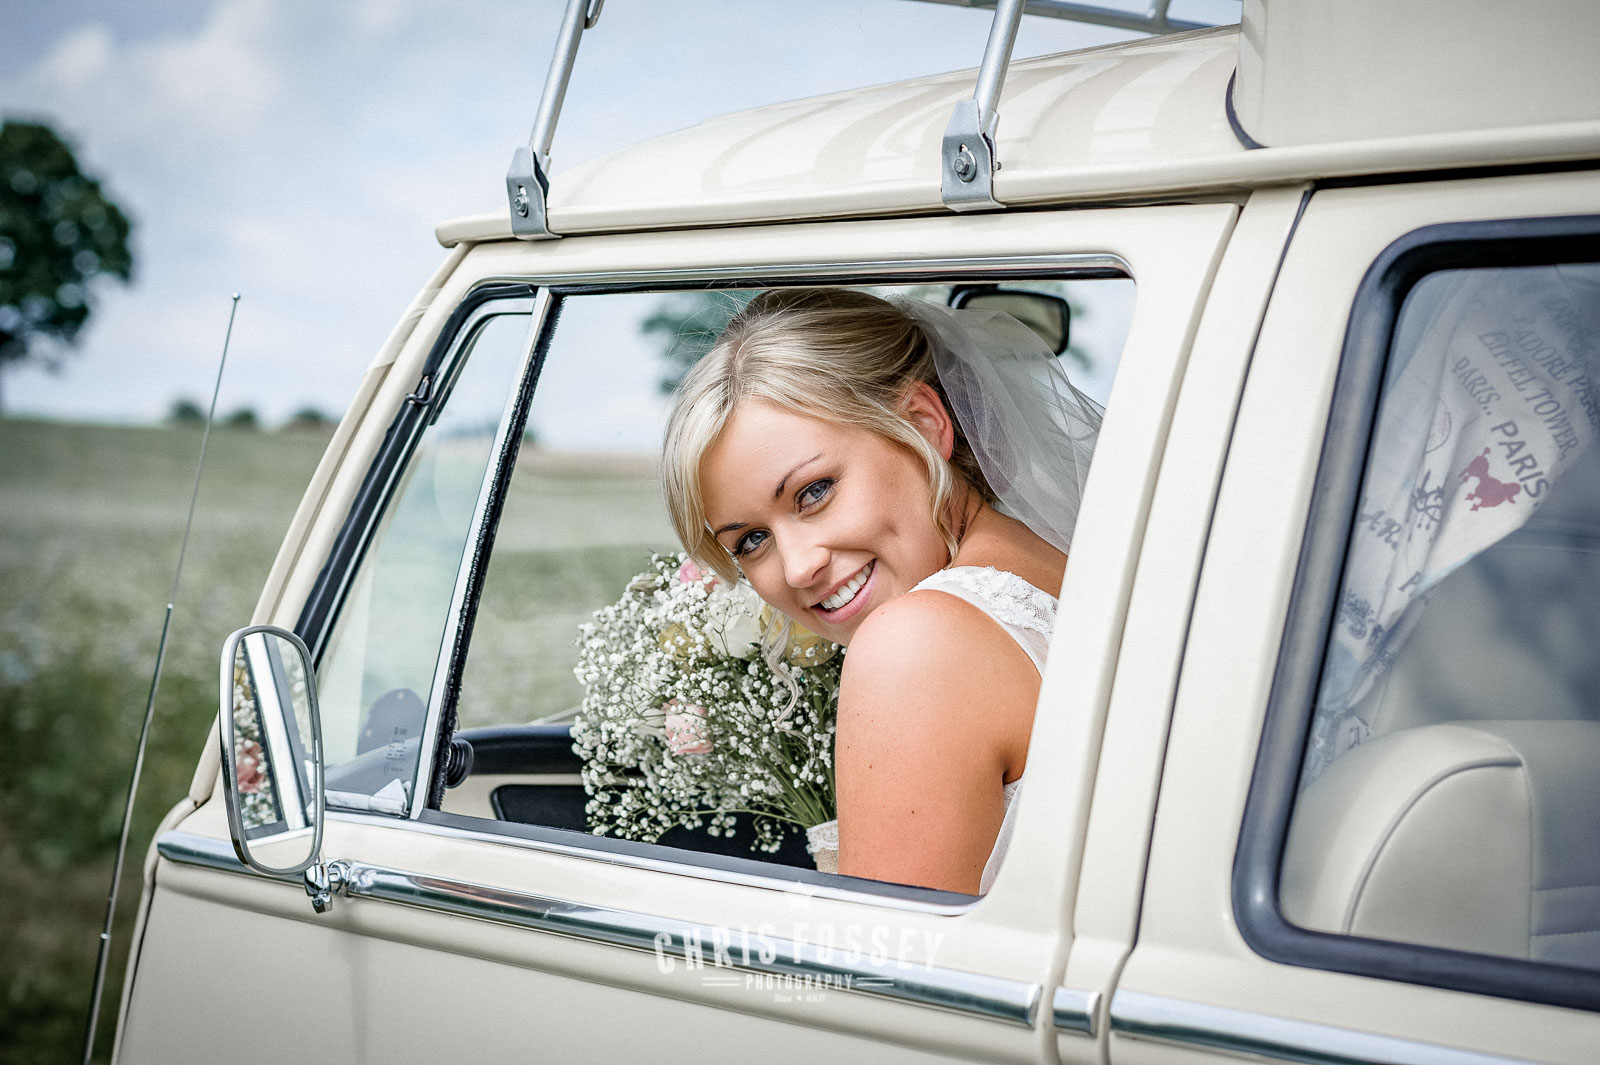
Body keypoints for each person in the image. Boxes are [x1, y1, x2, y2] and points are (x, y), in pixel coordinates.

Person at [661, 287, 1099, 894]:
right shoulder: (1065, 562)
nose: (798, 568)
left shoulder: (914, 645)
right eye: (751, 541)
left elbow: (894, 953)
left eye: (814, 492)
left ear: (923, 424)